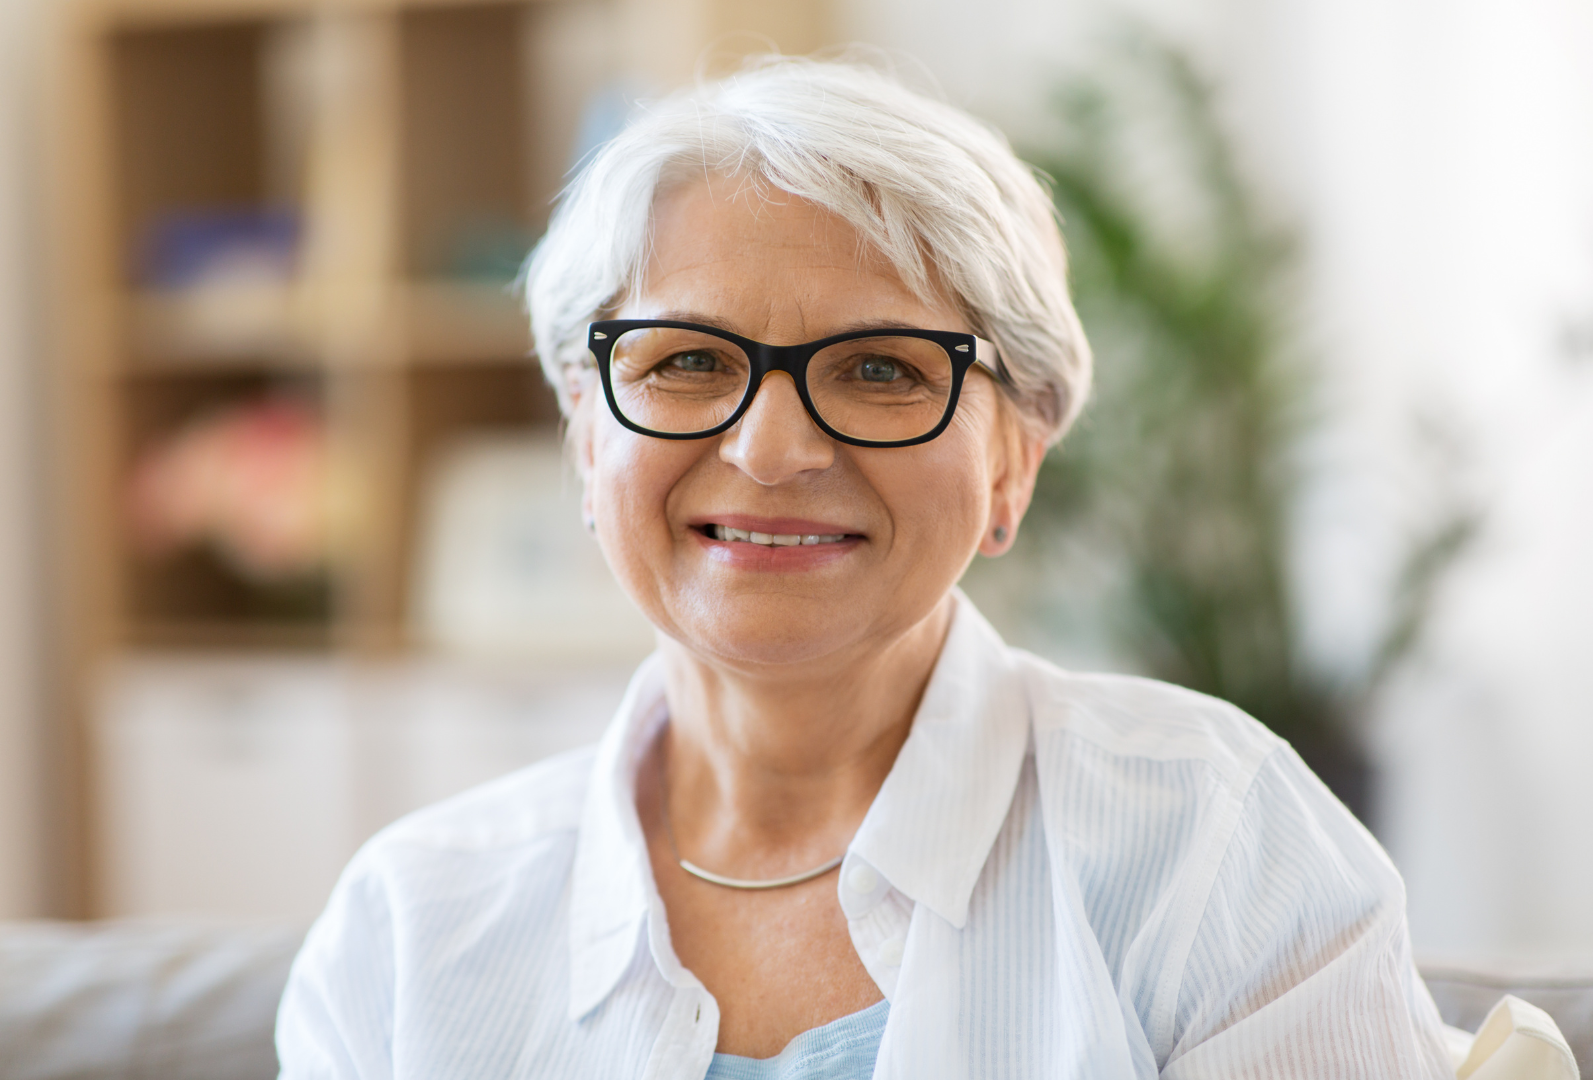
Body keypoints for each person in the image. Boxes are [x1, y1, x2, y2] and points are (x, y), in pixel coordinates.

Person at [276, 57, 1453, 1079]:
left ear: (1013, 463)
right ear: (590, 442)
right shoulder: (410, 926)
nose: (771, 450)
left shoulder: (1214, 846)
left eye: (881, 370)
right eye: (686, 359)